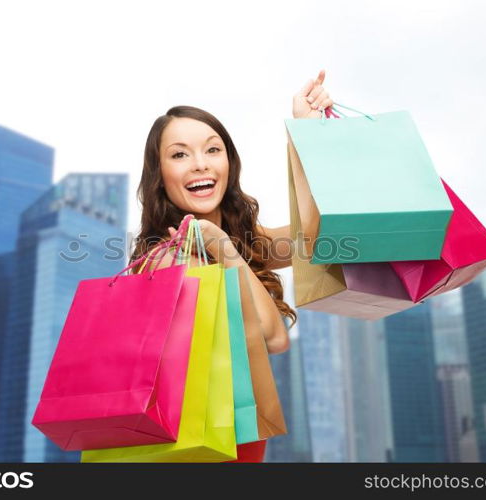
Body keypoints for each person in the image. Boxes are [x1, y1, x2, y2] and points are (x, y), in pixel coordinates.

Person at [130, 70, 334, 358]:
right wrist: (222, 247)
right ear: (160, 175)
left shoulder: (240, 239)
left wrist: (306, 131)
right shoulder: (172, 258)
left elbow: (311, 240)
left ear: (230, 162)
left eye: (213, 149)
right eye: (179, 154)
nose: (200, 164)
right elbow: (271, 337)